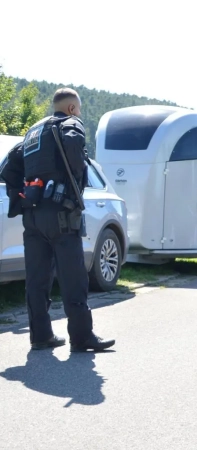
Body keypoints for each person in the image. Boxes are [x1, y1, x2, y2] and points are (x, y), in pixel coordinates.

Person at [0, 88, 115, 352]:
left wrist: (22, 197)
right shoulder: (70, 123)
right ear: (72, 108)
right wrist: (75, 180)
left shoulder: (32, 133)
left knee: (37, 278)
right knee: (73, 277)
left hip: (33, 215)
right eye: (79, 110)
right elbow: (74, 144)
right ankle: (81, 337)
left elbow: (7, 168)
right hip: (62, 213)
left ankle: (40, 336)